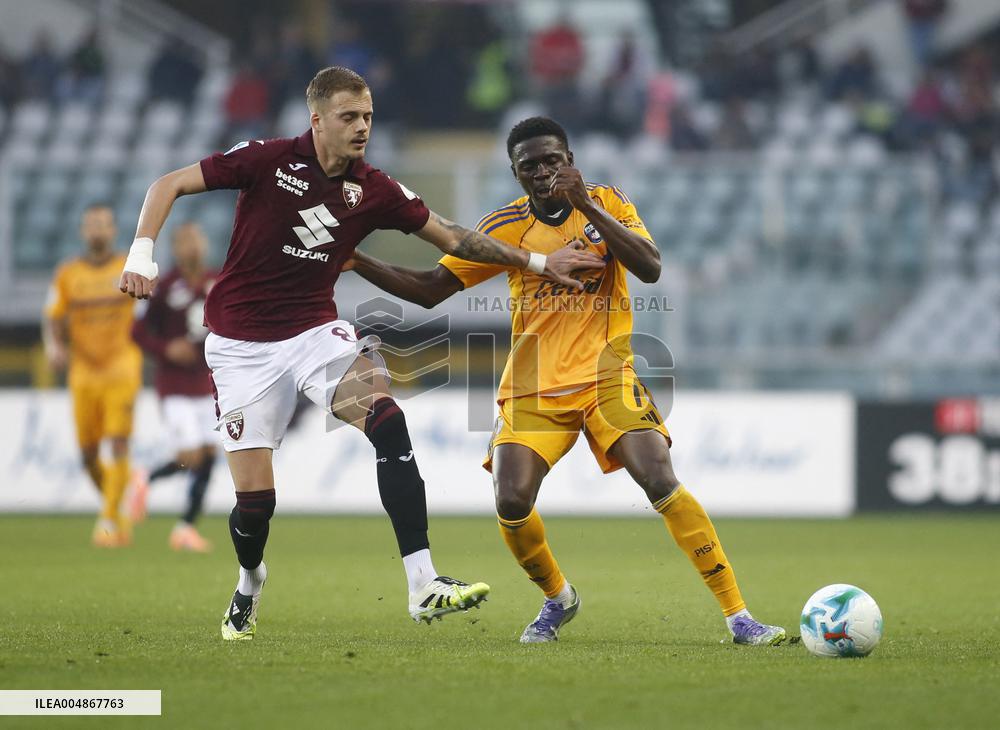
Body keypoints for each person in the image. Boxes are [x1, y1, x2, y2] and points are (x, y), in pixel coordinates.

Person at [119, 67, 601, 641]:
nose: (362, 127)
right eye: (349, 117)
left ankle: (422, 583)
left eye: (368, 116)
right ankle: (250, 580)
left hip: (314, 334)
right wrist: (141, 255)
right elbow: (167, 184)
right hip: (240, 349)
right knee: (255, 506)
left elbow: (453, 236)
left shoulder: (373, 188)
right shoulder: (267, 159)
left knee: (388, 422)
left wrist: (540, 263)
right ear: (317, 120)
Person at [348, 116, 787, 645]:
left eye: (551, 160)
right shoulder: (504, 228)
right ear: (515, 173)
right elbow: (429, 288)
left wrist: (588, 206)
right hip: (533, 385)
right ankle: (558, 597)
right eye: (529, 165)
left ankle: (739, 617)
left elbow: (650, 267)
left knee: (658, 476)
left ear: (570, 161)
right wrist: (355, 259)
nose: (542, 171)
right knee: (511, 500)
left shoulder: (608, 202)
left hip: (607, 376)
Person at [43, 204, 142, 548]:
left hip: (121, 366)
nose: (97, 230)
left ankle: (108, 521)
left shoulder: (129, 267)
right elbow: (53, 316)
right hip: (83, 372)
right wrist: (55, 347)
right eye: (92, 224)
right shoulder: (68, 274)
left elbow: (148, 309)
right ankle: (119, 505)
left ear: (113, 230)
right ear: (83, 231)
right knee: (87, 455)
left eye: (103, 224)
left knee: (118, 442)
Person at [130, 222, 218, 553]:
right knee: (190, 456)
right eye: (185, 241)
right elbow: (137, 332)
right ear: (176, 249)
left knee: (209, 456)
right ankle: (146, 478)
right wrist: (166, 348)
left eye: (197, 239)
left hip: (207, 383)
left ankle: (185, 529)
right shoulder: (163, 286)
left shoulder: (217, 280)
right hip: (175, 385)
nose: (193, 246)